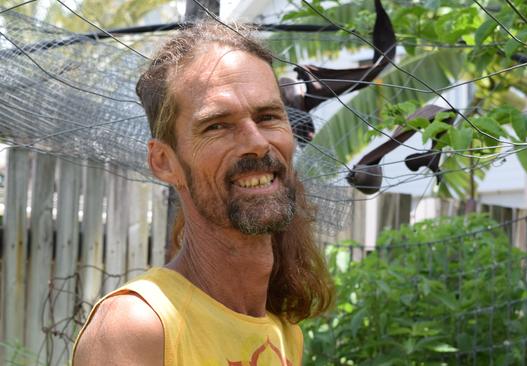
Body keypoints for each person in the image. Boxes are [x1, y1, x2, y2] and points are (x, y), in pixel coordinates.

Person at [73, 22, 333, 365]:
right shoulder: (140, 326)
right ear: (164, 162)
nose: (257, 142)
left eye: (268, 116)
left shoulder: (285, 333)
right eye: (217, 125)